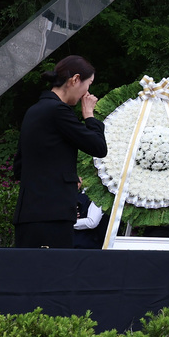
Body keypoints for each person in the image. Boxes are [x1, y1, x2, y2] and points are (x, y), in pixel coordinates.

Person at [12, 56, 108, 248]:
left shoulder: (34, 110)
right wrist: (89, 115)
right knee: (53, 274)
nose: (87, 93)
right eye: (88, 85)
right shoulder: (58, 111)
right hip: (52, 213)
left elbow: (19, 166)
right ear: (75, 80)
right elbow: (98, 147)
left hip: (29, 211)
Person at [73, 179, 106, 249]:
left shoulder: (97, 194)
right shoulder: (75, 194)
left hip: (86, 246)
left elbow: (92, 222)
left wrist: (69, 222)